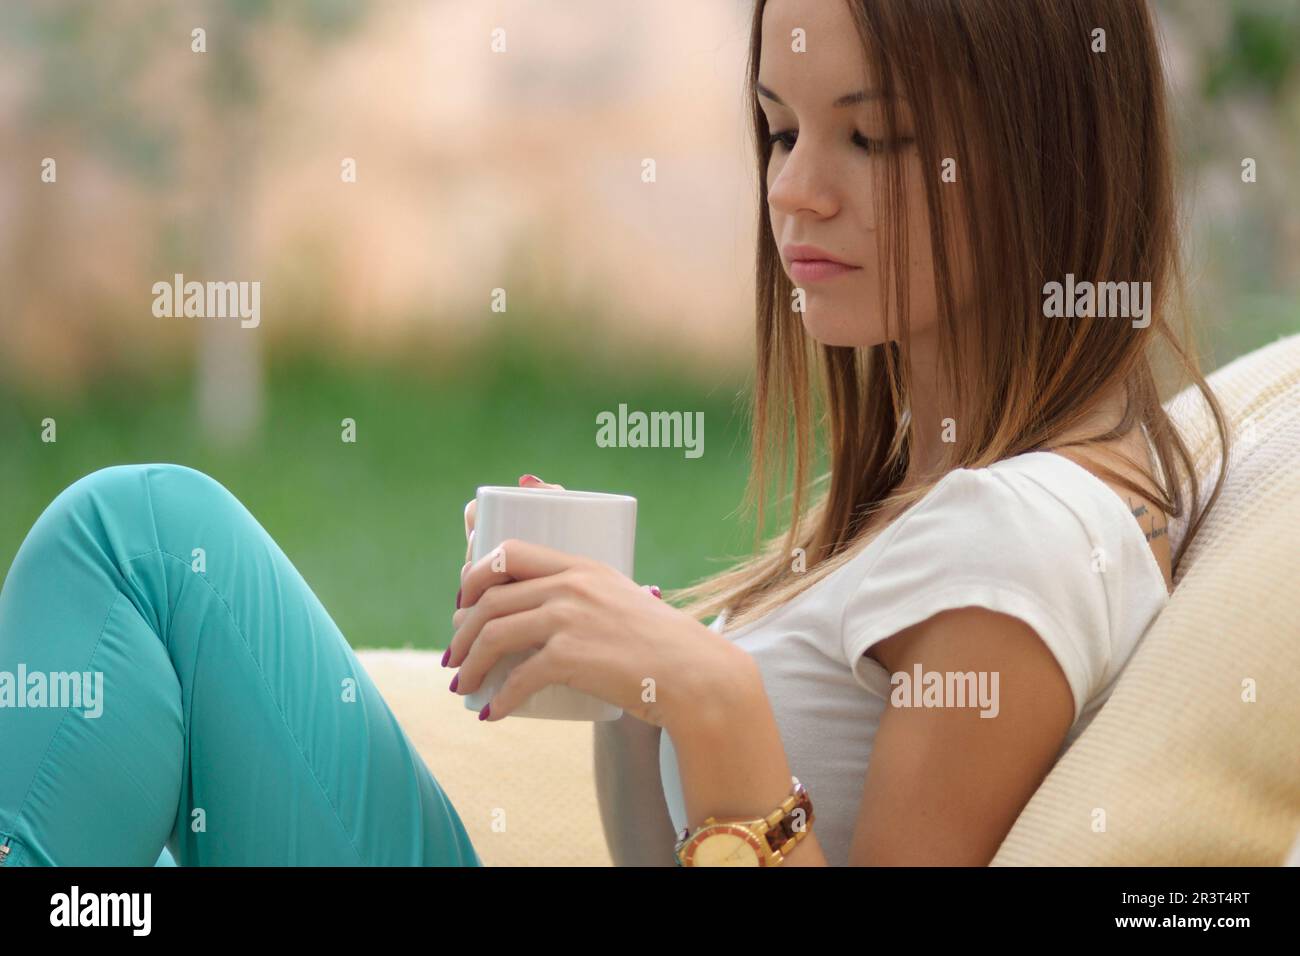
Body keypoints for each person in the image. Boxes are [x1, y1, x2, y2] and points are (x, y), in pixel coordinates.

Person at [0, 0, 1229, 867]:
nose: (796, 186)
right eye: (779, 127)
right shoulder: (949, 485)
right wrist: (622, 652)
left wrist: (704, 692)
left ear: (1044, 147)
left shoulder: (1018, 547)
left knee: (141, 538)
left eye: (874, 134)